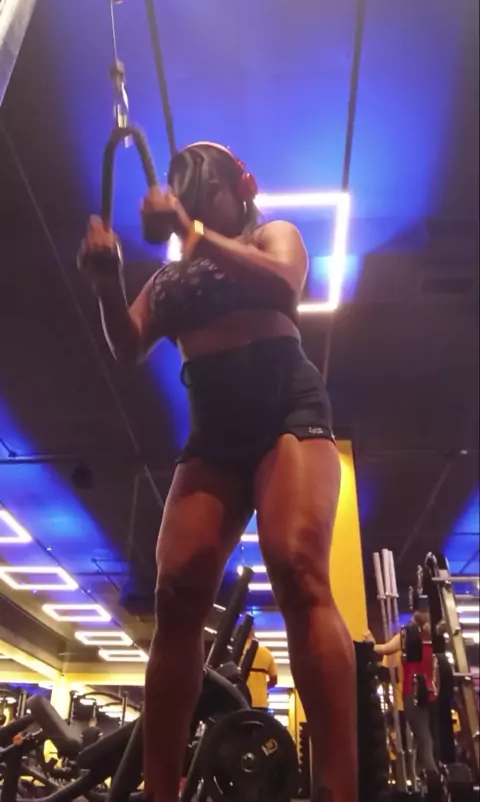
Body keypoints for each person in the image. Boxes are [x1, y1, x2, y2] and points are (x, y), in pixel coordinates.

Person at [78, 141, 357, 802]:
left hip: (286, 409)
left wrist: (190, 229)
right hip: (214, 431)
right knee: (176, 592)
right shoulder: (168, 282)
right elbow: (127, 344)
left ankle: (339, 790)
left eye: (207, 197)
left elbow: (284, 283)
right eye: (188, 201)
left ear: (243, 188)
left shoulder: (272, 236)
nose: (196, 208)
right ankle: (160, 792)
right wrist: (107, 280)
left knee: (298, 568)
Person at [365, 611, 440, 780]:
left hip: (409, 697)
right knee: (424, 740)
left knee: (419, 741)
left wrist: (371, 643)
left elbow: (384, 650)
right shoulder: (430, 641)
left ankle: (430, 777)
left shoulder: (407, 637)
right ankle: (426, 775)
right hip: (428, 695)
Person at [244, 626, 278, 710]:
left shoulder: (236, 651)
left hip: (241, 699)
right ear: (253, 632)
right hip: (260, 702)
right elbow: (274, 679)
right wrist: (262, 687)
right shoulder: (266, 652)